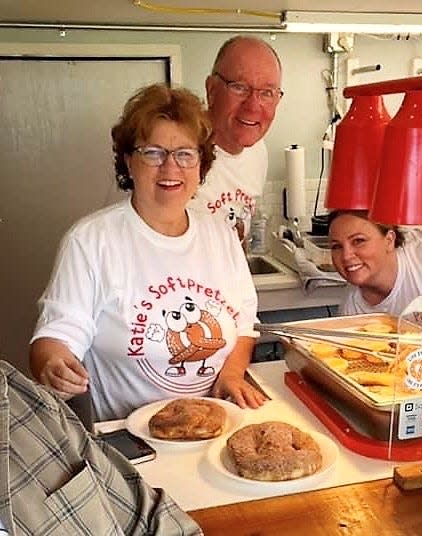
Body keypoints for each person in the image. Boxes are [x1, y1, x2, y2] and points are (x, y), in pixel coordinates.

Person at [29, 83, 266, 421]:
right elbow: (56, 337)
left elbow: (244, 322)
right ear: (128, 161)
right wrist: (53, 365)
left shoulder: (220, 235)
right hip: (129, 446)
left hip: (215, 429)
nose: (171, 168)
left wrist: (231, 374)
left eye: (185, 153)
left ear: (201, 164)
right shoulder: (91, 241)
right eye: (153, 153)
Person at [0, 360, 201, 535]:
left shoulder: (26, 403)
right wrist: (55, 365)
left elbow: (151, 523)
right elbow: (55, 341)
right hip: (119, 418)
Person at [188, 36, 283, 248]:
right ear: (211, 90)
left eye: (267, 93)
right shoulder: (177, 153)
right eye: (239, 87)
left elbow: (238, 236)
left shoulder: (258, 152)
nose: (253, 106)